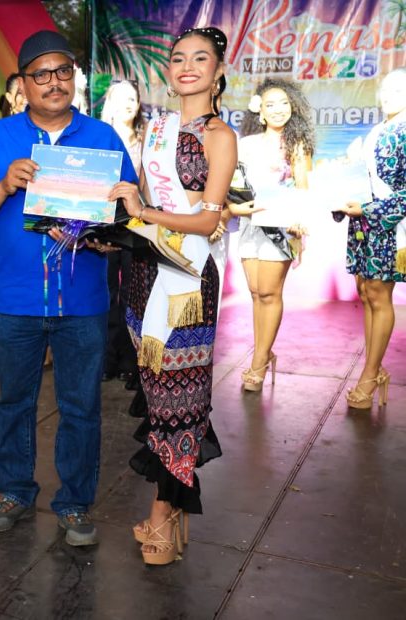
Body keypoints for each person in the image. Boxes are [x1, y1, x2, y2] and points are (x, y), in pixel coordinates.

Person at [0, 30, 137, 547]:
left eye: (62, 72)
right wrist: (4, 185)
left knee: (81, 407)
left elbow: (129, 213)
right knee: (14, 403)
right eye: (41, 74)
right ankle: (14, 492)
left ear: (73, 77)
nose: (54, 82)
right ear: (23, 83)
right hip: (16, 300)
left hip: (82, 300)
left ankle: (75, 503)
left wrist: (106, 235)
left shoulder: (103, 137)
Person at [113, 26, 236, 565]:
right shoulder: (157, 129)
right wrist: (122, 223)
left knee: (178, 399)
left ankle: (164, 514)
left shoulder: (219, 135)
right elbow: (145, 206)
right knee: (156, 391)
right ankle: (168, 507)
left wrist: (144, 211)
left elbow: (208, 220)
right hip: (146, 271)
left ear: (217, 72)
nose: (187, 66)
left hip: (187, 282)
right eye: (178, 58)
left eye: (200, 59)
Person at [236, 78, 314, 391]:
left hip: (282, 228)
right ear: (260, 111)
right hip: (250, 223)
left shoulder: (297, 144)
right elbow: (236, 183)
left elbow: (303, 188)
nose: (278, 109)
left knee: (269, 293)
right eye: (271, 104)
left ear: (292, 107)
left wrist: (299, 221)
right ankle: (263, 352)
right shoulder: (246, 144)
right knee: (256, 292)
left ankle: (259, 362)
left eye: (284, 103)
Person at [337, 68, 406, 409]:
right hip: (363, 223)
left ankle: (370, 374)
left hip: (389, 224)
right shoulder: (377, 130)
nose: (390, 95)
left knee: (379, 295)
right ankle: (373, 367)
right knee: (366, 293)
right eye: (386, 89)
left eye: (399, 89)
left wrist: (368, 209)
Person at [100, 80, 144, 385]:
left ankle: (131, 360)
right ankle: (106, 359)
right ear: (110, 103)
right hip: (102, 221)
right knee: (105, 290)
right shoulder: (98, 137)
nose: (128, 104)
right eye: (122, 98)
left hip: (137, 222)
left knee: (132, 291)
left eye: (133, 99)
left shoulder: (147, 138)